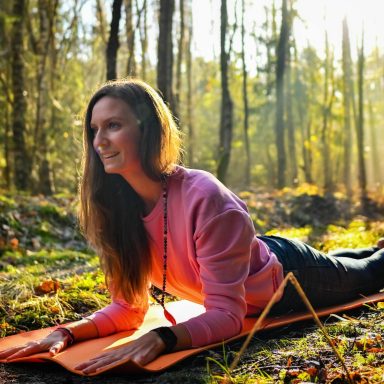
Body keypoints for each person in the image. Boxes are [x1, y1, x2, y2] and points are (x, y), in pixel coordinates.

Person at [1, 79, 383, 375]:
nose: (100, 142)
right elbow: (128, 307)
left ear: (148, 130)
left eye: (113, 125)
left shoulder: (205, 198)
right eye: (94, 130)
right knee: (349, 261)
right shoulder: (115, 209)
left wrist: (163, 337)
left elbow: (228, 315)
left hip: (284, 277)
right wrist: (67, 332)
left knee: (368, 273)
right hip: (241, 258)